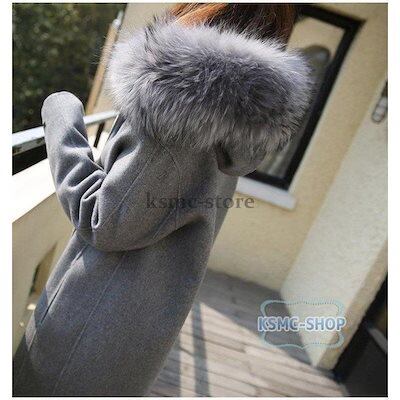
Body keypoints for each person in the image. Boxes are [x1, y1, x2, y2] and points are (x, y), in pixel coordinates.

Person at [13, 3, 311, 396]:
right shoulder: (239, 122)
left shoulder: (185, 102)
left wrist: (62, 117)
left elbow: (104, 221)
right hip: (137, 338)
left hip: (87, 330)